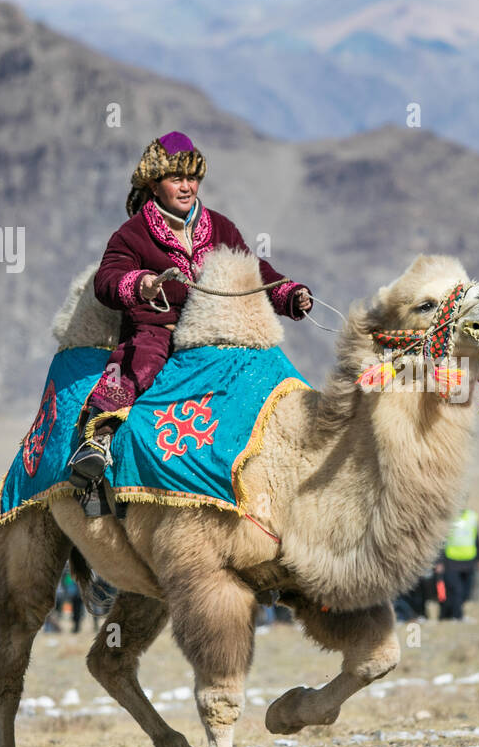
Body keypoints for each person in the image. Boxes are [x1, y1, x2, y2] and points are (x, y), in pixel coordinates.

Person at [69, 131, 314, 494]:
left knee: (265, 366)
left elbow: (251, 269)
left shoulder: (220, 227)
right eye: (176, 178)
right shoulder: (131, 235)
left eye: (192, 178)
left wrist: (289, 294)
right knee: (139, 364)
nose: (187, 187)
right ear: (154, 184)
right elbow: (106, 280)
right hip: (158, 330)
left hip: (214, 330)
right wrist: (141, 284)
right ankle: (98, 440)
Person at [437, 506, 479, 621]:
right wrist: (439, 561)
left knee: (466, 592)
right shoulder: (448, 516)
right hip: (451, 561)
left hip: (469, 561)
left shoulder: (472, 517)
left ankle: (451, 614)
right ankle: (457, 616)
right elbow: (441, 541)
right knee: (456, 590)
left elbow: (476, 538)